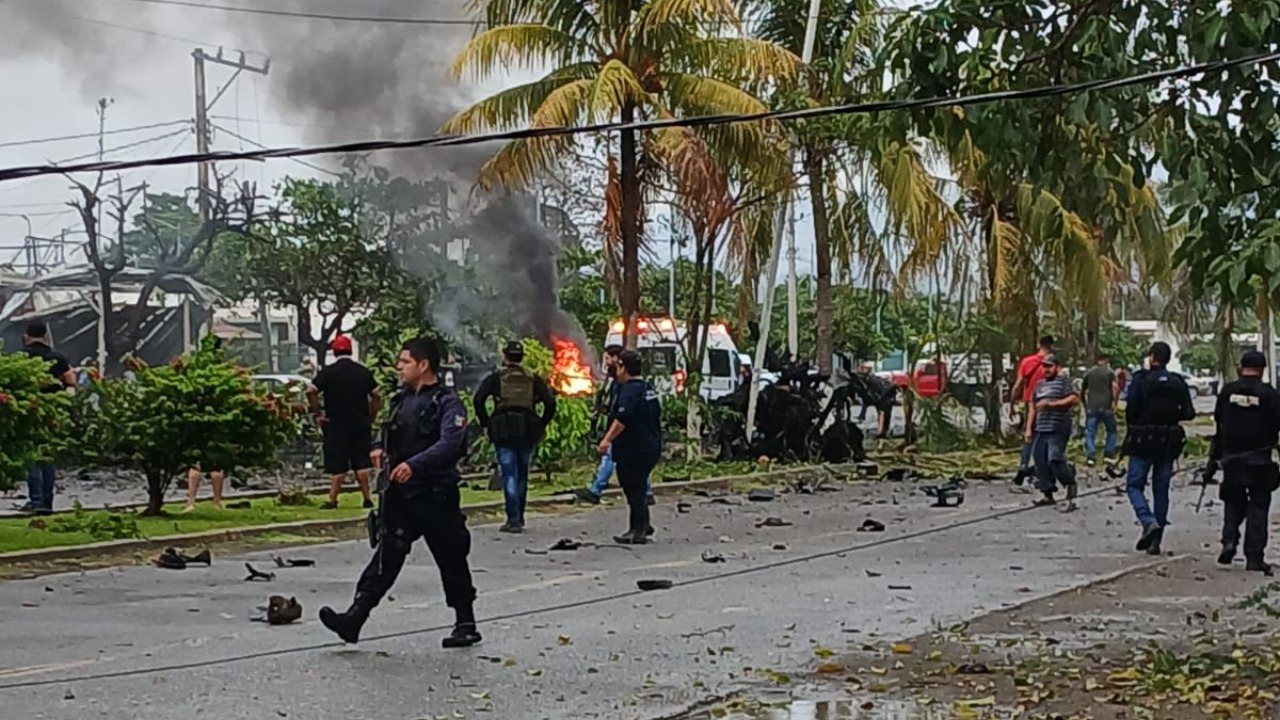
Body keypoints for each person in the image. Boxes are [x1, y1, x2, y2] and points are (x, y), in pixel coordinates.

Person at [319, 338, 479, 648]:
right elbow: (386, 432)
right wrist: (378, 449)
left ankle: (466, 622)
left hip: (435, 495)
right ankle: (354, 618)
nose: (399, 368)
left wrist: (415, 465)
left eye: (405, 362)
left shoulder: (447, 402)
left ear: (423, 365)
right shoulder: (400, 400)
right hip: (400, 497)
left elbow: (450, 444)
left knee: (451, 558)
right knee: (385, 558)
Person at [1205, 350, 1280, 575]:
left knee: (1233, 501)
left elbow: (1219, 427)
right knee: (1258, 506)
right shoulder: (1270, 395)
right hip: (1260, 460)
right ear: (1263, 369)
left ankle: (1229, 540)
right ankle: (1254, 557)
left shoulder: (1227, 392)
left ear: (1241, 367)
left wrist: (1213, 460)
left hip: (1232, 459)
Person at [473, 340, 557, 533]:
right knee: (522, 474)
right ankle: (519, 515)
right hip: (527, 428)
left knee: (509, 473)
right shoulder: (532, 377)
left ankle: (513, 519)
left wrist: (486, 423)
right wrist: (541, 423)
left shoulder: (496, 378)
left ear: (505, 356)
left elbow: (478, 399)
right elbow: (550, 402)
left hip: (503, 428)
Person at [1124, 341, 1196, 555]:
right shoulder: (1177, 382)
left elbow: (1131, 410)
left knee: (1134, 484)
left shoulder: (1140, 379)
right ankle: (1157, 540)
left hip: (1142, 440)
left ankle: (1147, 520)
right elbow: (1189, 412)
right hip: (1168, 441)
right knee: (1161, 488)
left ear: (1152, 357)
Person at [308, 335, 381, 510]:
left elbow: (311, 391)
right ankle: (367, 498)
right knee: (361, 462)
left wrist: (318, 413)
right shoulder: (362, 372)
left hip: (336, 423)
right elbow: (377, 394)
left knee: (337, 464)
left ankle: (333, 500)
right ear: (350, 351)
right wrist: (372, 415)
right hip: (360, 423)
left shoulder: (328, 372)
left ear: (334, 352)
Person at [597, 350, 662, 545]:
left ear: (623, 367)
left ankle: (637, 530)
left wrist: (606, 440)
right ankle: (644, 524)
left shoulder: (630, 391)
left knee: (633, 488)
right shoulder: (646, 388)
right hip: (650, 446)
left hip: (634, 449)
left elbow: (622, 419)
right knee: (639, 487)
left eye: (617, 366)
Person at [575, 345, 652, 506]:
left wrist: (608, 437)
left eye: (608, 359)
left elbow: (624, 413)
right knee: (631, 465)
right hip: (627, 432)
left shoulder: (627, 384)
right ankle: (646, 492)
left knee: (611, 457)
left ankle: (596, 490)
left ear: (618, 360)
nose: (607, 363)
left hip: (625, 432)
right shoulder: (619, 381)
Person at [18, 322, 75, 514]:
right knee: (48, 458)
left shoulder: (21, 358)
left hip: (27, 412)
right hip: (52, 413)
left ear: (26, 336)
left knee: (31, 457)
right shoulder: (58, 358)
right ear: (45, 336)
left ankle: (36, 502)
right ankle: (47, 501)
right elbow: (71, 383)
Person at [1025, 354, 1079, 507]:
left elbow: (1074, 399)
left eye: (1049, 366)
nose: (1046, 369)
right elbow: (1032, 407)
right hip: (1042, 428)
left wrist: (1051, 404)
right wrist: (1028, 428)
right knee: (1040, 460)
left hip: (1058, 427)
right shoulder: (1039, 385)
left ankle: (1069, 480)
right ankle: (1047, 493)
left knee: (1054, 458)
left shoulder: (1063, 383)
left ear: (1057, 367)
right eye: (1044, 366)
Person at [1010, 335, 1056, 486]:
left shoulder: (1027, 362)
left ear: (1039, 344)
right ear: (1051, 346)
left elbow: (1018, 385)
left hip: (1030, 403)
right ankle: (1042, 469)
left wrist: (1011, 405)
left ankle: (1024, 465)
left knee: (1029, 436)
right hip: (1048, 405)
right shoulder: (1053, 364)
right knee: (1046, 438)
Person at [1081, 354, 1119, 466]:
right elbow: (1115, 387)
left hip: (1092, 406)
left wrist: (1084, 403)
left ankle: (1091, 457)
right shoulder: (1110, 372)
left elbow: (1082, 391)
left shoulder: (1089, 373)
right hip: (1106, 406)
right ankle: (1108, 454)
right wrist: (1114, 402)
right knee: (1111, 430)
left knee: (1090, 432)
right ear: (1107, 361)